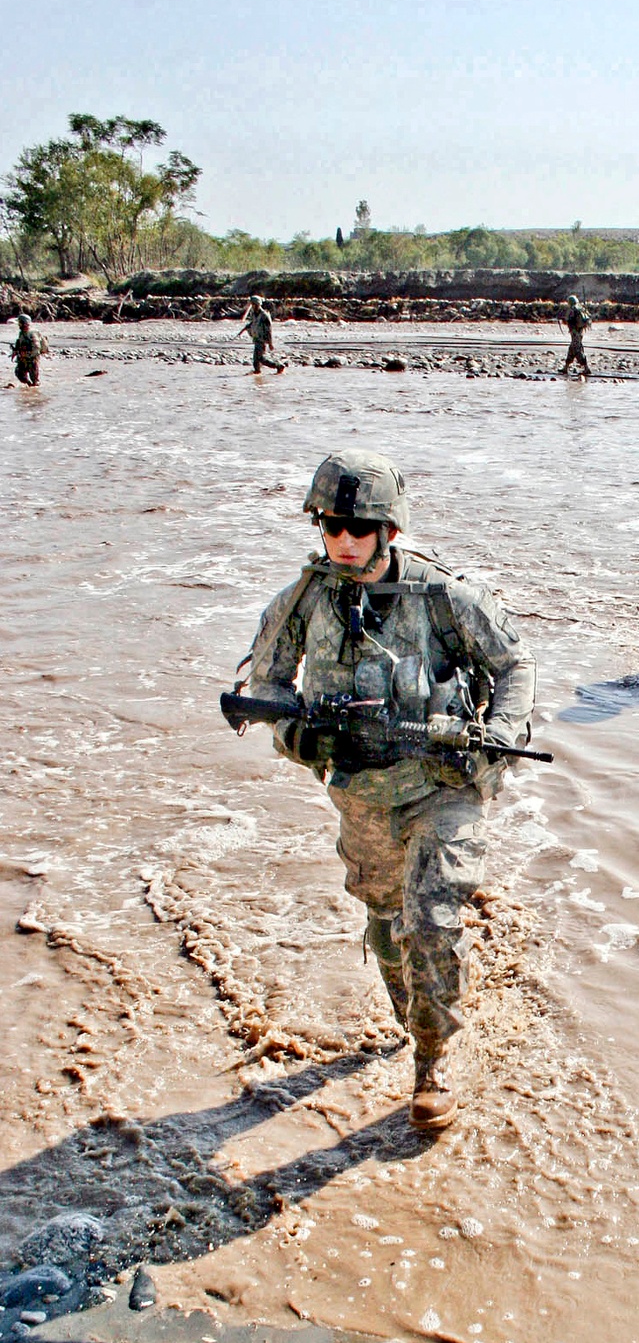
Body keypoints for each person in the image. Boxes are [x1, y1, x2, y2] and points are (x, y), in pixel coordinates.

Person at [242, 448, 536, 1130]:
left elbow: (514, 663)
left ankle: (433, 1064)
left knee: (431, 921)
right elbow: (264, 687)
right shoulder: (303, 601)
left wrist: (498, 733)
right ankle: (414, 1019)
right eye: (331, 526)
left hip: (442, 783)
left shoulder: (445, 598)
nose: (342, 541)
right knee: (383, 917)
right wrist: (299, 738)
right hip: (362, 793)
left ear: (389, 531)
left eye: (358, 528)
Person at [237, 295, 286, 375]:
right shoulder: (254, 313)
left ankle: (279, 366)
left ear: (257, 304)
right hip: (256, 338)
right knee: (256, 360)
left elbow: (269, 330)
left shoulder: (264, 316)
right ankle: (257, 372)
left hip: (262, 339)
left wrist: (270, 343)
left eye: (253, 304)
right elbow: (253, 322)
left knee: (261, 358)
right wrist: (246, 327)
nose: (252, 306)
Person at [10, 314, 49, 386]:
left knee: (34, 379)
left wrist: (25, 354)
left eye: (20, 323)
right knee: (19, 373)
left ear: (25, 323)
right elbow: (19, 343)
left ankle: (34, 389)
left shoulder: (32, 334)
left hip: (33, 359)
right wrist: (16, 351)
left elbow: (36, 349)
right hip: (23, 358)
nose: (18, 325)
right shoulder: (21, 333)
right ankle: (29, 386)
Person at [558, 294, 591, 377]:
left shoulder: (573, 310)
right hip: (579, 332)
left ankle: (586, 368)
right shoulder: (581, 308)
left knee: (577, 350)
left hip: (575, 333)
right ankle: (566, 368)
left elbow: (570, 321)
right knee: (571, 350)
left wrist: (563, 320)